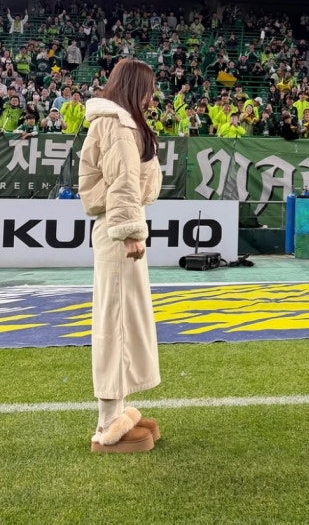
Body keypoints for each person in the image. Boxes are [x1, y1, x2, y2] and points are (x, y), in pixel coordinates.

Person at [78, 58, 163, 454]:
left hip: (119, 225)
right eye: (147, 90)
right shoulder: (116, 123)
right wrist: (129, 231)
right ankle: (108, 422)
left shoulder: (119, 121)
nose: (151, 98)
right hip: (118, 229)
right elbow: (122, 179)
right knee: (115, 320)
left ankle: (119, 409)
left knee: (125, 318)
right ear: (134, 88)